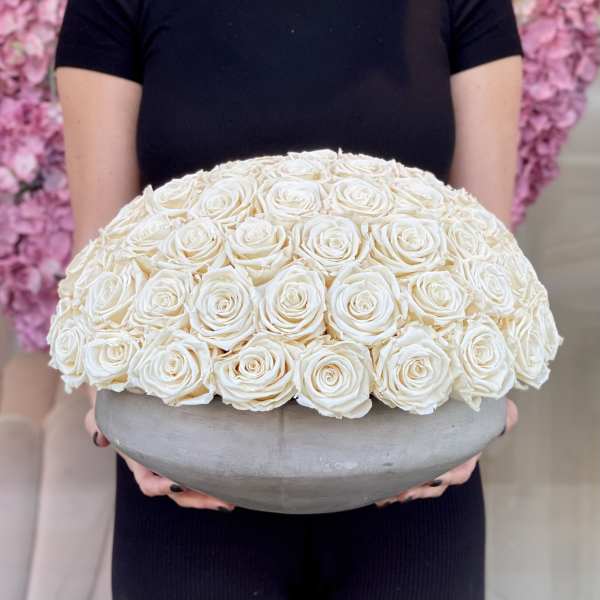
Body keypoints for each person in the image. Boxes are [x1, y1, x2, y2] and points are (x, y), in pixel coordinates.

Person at [53, 1, 522, 598]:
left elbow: (485, 255)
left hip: (412, 477)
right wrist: (114, 418)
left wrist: (484, 409)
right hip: (188, 479)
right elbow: (101, 260)